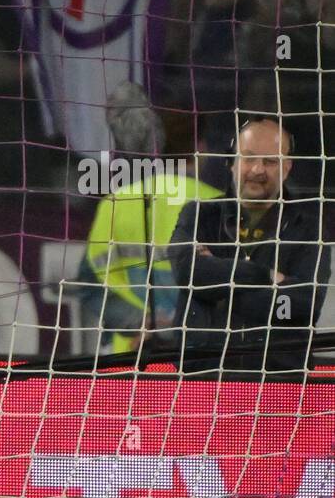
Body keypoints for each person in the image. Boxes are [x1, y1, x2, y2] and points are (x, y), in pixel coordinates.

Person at [167, 117, 330, 373]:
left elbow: (300, 307)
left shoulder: (308, 229)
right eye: (249, 158)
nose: (257, 169)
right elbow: (188, 271)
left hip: (279, 384)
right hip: (202, 379)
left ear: (286, 168)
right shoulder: (199, 215)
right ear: (232, 163)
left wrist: (218, 285)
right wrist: (264, 277)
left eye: (270, 161)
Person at [76, 83, 224, 354]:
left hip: (132, 357)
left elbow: (89, 286)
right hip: (201, 357)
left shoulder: (116, 203)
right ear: (200, 147)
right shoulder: (219, 204)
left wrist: (142, 322)